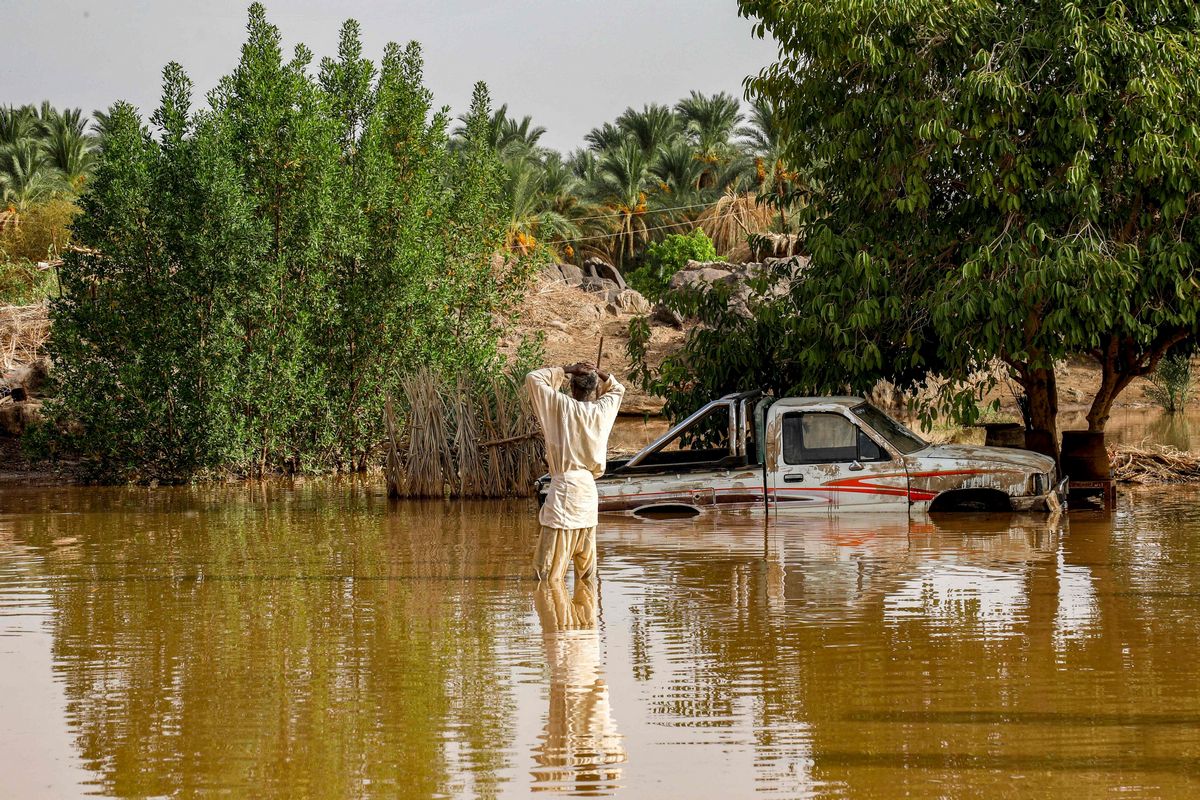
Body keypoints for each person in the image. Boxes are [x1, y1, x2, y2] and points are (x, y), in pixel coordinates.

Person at [525, 361, 624, 582]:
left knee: (547, 577)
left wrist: (568, 369)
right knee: (586, 577)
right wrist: (599, 372)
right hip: (588, 497)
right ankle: (586, 614)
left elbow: (533, 378)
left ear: (573, 389)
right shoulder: (603, 409)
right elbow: (618, 389)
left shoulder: (562, 406)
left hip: (565, 495)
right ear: (595, 389)